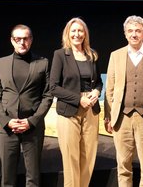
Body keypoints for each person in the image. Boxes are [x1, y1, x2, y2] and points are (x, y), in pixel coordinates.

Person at [104, 15, 143, 187]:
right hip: (121, 117)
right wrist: (108, 116)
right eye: (130, 31)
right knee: (123, 164)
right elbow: (109, 89)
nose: (134, 34)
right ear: (125, 34)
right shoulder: (115, 55)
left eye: (138, 31)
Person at [0, 24, 53, 187]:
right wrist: (6, 121)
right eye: (17, 39)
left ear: (31, 40)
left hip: (33, 127)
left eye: (25, 38)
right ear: (12, 41)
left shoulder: (43, 63)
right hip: (7, 128)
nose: (22, 42)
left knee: (33, 177)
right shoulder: (1, 63)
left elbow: (47, 96)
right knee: (7, 177)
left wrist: (32, 121)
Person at [49, 17, 103, 187]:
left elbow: (99, 81)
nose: (77, 34)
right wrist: (79, 99)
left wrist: (96, 92)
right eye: (73, 31)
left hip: (91, 111)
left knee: (88, 157)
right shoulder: (60, 55)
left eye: (80, 31)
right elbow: (53, 87)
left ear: (85, 34)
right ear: (68, 33)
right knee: (71, 159)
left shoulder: (92, 54)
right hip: (69, 111)